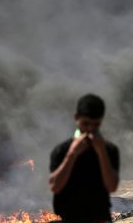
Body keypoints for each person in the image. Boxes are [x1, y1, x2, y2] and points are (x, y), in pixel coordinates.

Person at [49, 94, 120, 222]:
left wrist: (101, 152)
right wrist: (72, 154)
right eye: (85, 124)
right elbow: (55, 186)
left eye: (95, 125)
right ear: (77, 118)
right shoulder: (62, 150)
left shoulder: (109, 150)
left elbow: (112, 186)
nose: (90, 129)